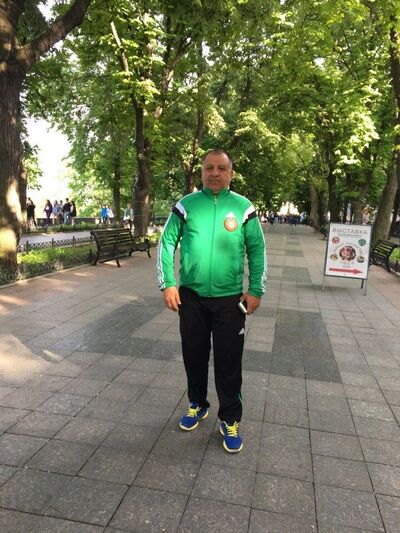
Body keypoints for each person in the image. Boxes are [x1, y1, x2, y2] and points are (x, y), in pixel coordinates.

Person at [157, 149, 266, 453]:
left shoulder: (243, 207)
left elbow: (257, 249)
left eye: (221, 168)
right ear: (202, 172)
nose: (214, 173)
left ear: (230, 173)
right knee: (194, 356)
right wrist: (168, 283)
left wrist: (255, 290)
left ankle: (229, 419)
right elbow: (166, 243)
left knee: (229, 362)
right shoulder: (186, 205)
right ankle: (197, 404)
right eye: (209, 168)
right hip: (191, 299)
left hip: (230, 300)